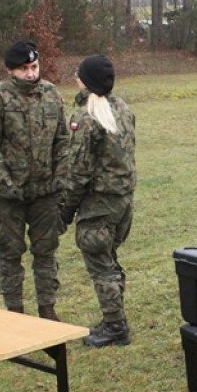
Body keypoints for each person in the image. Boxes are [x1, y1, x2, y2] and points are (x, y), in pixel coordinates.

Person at [0, 40, 69, 320]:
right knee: (10, 253)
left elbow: (63, 139)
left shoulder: (51, 95)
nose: (30, 74)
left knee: (46, 251)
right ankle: (14, 313)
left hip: (46, 192)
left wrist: (60, 177)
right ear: (10, 71)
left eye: (34, 67)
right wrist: (6, 183)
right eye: (24, 69)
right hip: (8, 196)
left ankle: (47, 309)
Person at [59, 54, 136, 347]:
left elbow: (78, 170)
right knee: (110, 259)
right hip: (122, 202)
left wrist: (67, 208)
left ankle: (115, 325)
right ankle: (115, 319)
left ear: (85, 81)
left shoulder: (86, 118)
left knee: (101, 266)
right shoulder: (123, 109)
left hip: (99, 205)